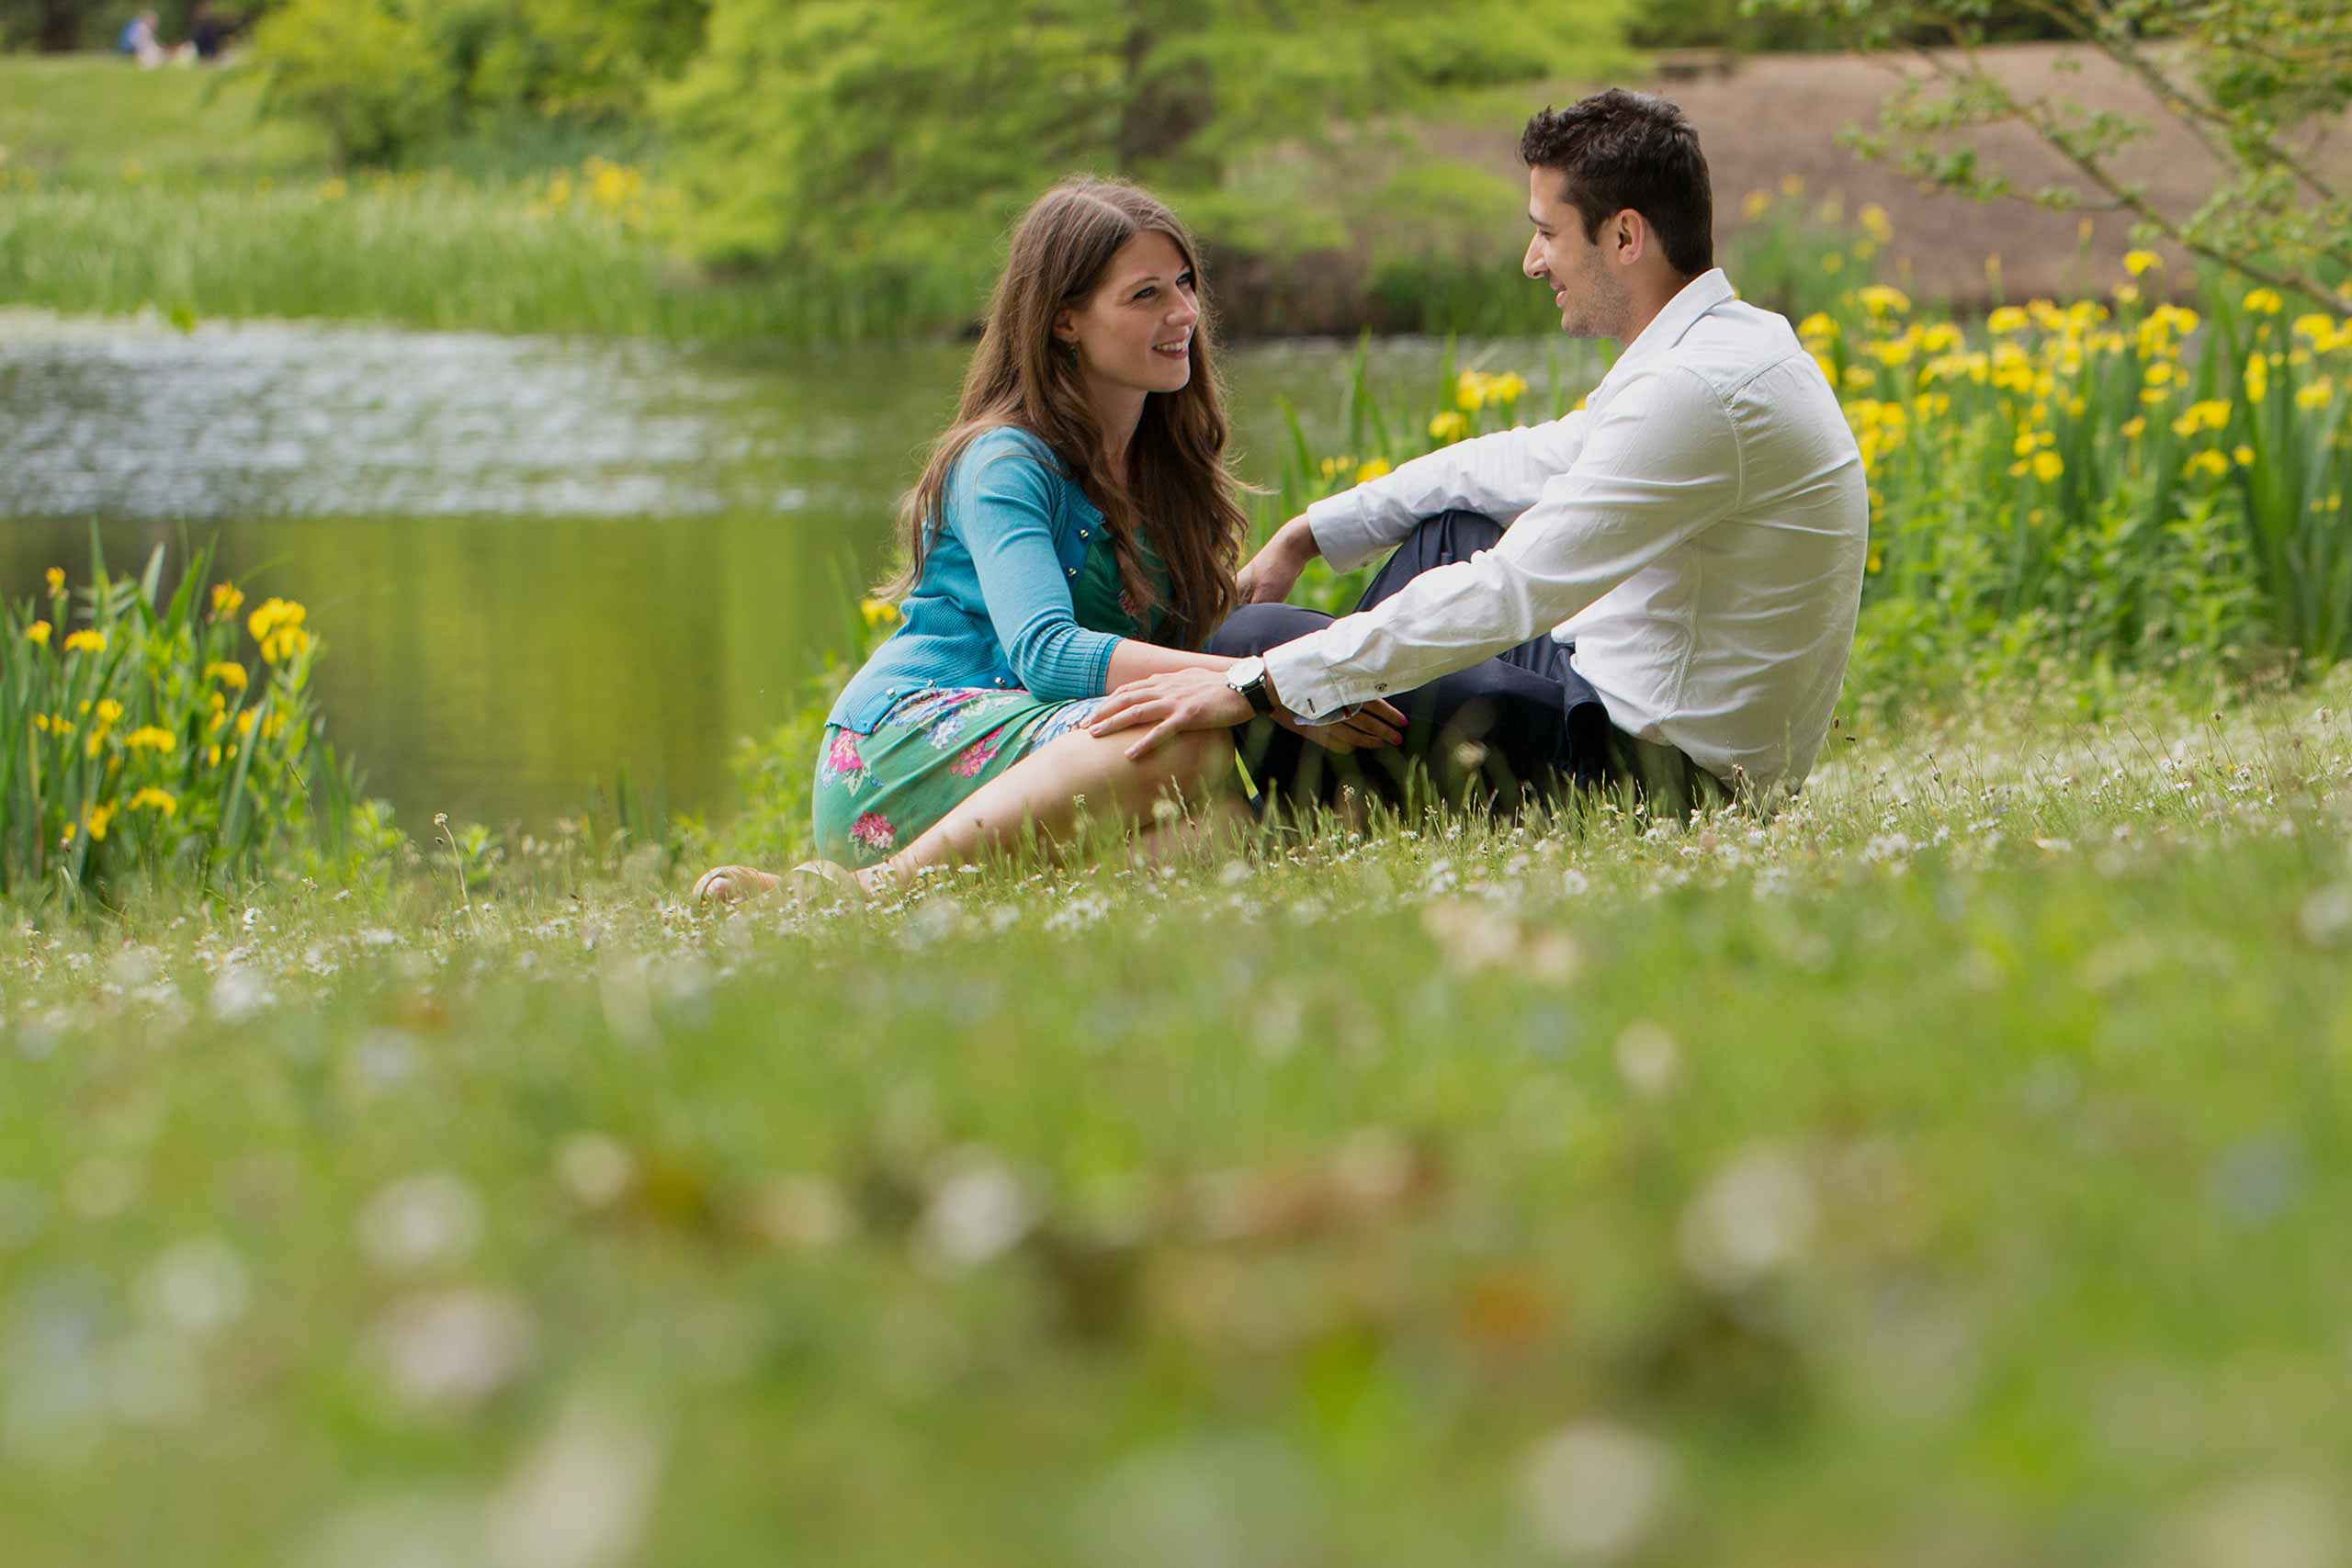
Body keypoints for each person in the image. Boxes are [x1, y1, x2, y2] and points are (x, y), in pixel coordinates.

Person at [1091, 89, 1869, 817]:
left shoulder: (1697, 391)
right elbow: (1522, 461)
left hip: (1662, 778)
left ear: (1625, 236)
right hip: (1620, 690)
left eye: (1547, 232)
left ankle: (1277, 780)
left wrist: (1268, 681)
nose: (1534, 263)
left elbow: (1511, 588)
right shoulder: (1727, 344)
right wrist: (1312, 531)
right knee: (1445, 528)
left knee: (1248, 643)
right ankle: (1328, 759)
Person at [695, 180, 1405, 903]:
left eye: (1186, 284)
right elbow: (1047, 652)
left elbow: (1184, 641)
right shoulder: (1005, 461)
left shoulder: (1162, 462)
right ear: (1065, 320)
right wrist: (1263, 682)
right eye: (1146, 295)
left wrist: (1293, 557)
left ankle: (951, 903)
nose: (1185, 312)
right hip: (913, 748)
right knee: (1188, 735)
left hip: (1066, 759)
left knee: (1228, 835)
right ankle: (874, 888)